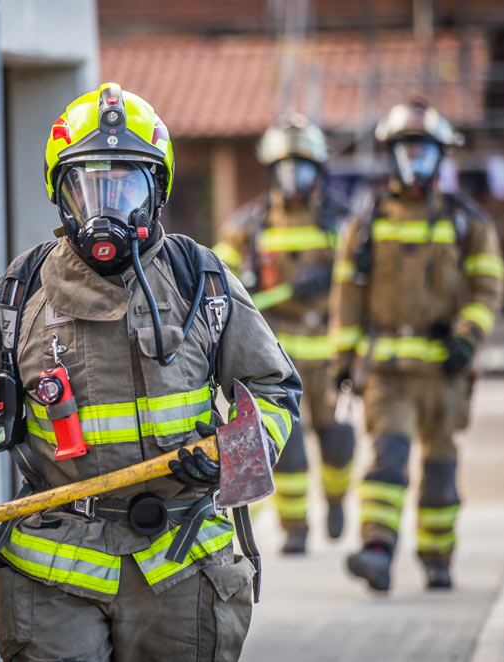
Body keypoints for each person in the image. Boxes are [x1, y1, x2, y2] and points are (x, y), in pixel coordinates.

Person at [0, 83, 302, 661]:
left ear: (157, 193)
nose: (106, 209)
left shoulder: (202, 281)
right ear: (60, 195)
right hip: (53, 570)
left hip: (180, 559)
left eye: (124, 187)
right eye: (87, 187)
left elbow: (274, 390)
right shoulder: (18, 295)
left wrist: (231, 455)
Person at [330, 98, 504, 592]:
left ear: (440, 158)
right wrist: (343, 361)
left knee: (440, 471)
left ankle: (437, 558)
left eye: (425, 153)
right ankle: (377, 551)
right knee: (388, 455)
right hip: (388, 372)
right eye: (407, 153)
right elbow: (347, 297)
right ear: (392, 157)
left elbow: (489, 288)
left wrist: (468, 338)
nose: (415, 163)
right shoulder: (366, 225)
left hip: (446, 375)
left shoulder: (467, 223)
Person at [213, 114, 355, 555]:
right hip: (278, 356)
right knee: (288, 446)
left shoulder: (340, 223)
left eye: (303, 166)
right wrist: (253, 288)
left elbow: (363, 281)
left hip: (331, 355)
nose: (294, 176)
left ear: (318, 169)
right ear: (271, 171)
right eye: (285, 167)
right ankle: (295, 529)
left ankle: (335, 499)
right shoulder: (248, 227)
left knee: (338, 443)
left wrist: (333, 279)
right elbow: (218, 279)